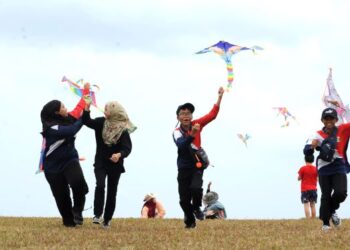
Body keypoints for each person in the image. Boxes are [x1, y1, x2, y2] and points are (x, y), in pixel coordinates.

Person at [172, 86, 224, 229]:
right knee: (183, 200)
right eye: (182, 113)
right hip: (183, 167)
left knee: (196, 189)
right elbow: (181, 145)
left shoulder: (197, 124)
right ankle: (189, 221)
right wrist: (192, 135)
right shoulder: (176, 132)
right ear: (178, 117)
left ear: (192, 116)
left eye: (188, 113)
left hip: (197, 165)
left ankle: (196, 208)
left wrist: (219, 97)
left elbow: (212, 115)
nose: (186, 115)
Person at [40, 83, 90, 227]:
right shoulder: (51, 128)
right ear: (56, 112)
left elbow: (79, 108)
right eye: (62, 107)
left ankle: (78, 211)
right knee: (62, 199)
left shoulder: (68, 117)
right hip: (52, 168)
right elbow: (71, 131)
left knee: (78, 183)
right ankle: (69, 221)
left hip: (70, 160)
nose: (65, 108)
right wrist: (84, 118)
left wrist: (86, 94)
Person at [82, 99, 135, 229]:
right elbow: (87, 121)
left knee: (112, 192)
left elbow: (127, 148)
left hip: (115, 165)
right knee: (100, 185)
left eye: (107, 109)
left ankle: (107, 220)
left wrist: (119, 155)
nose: (104, 111)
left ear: (115, 112)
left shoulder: (123, 129)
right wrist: (87, 108)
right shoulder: (101, 122)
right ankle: (97, 214)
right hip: (100, 162)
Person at [304, 107, 350, 231]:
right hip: (324, 166)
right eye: (326, 118)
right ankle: (326, 223)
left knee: (341, 193)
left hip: (339, 164)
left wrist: (343, 107)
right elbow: (306, 150)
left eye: (331, 118)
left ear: (336, 119)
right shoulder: (317, 134)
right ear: (322, 120)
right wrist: (311, 147)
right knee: (326, 194)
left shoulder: (343, 129)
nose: (329, 120)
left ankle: (332, 210)